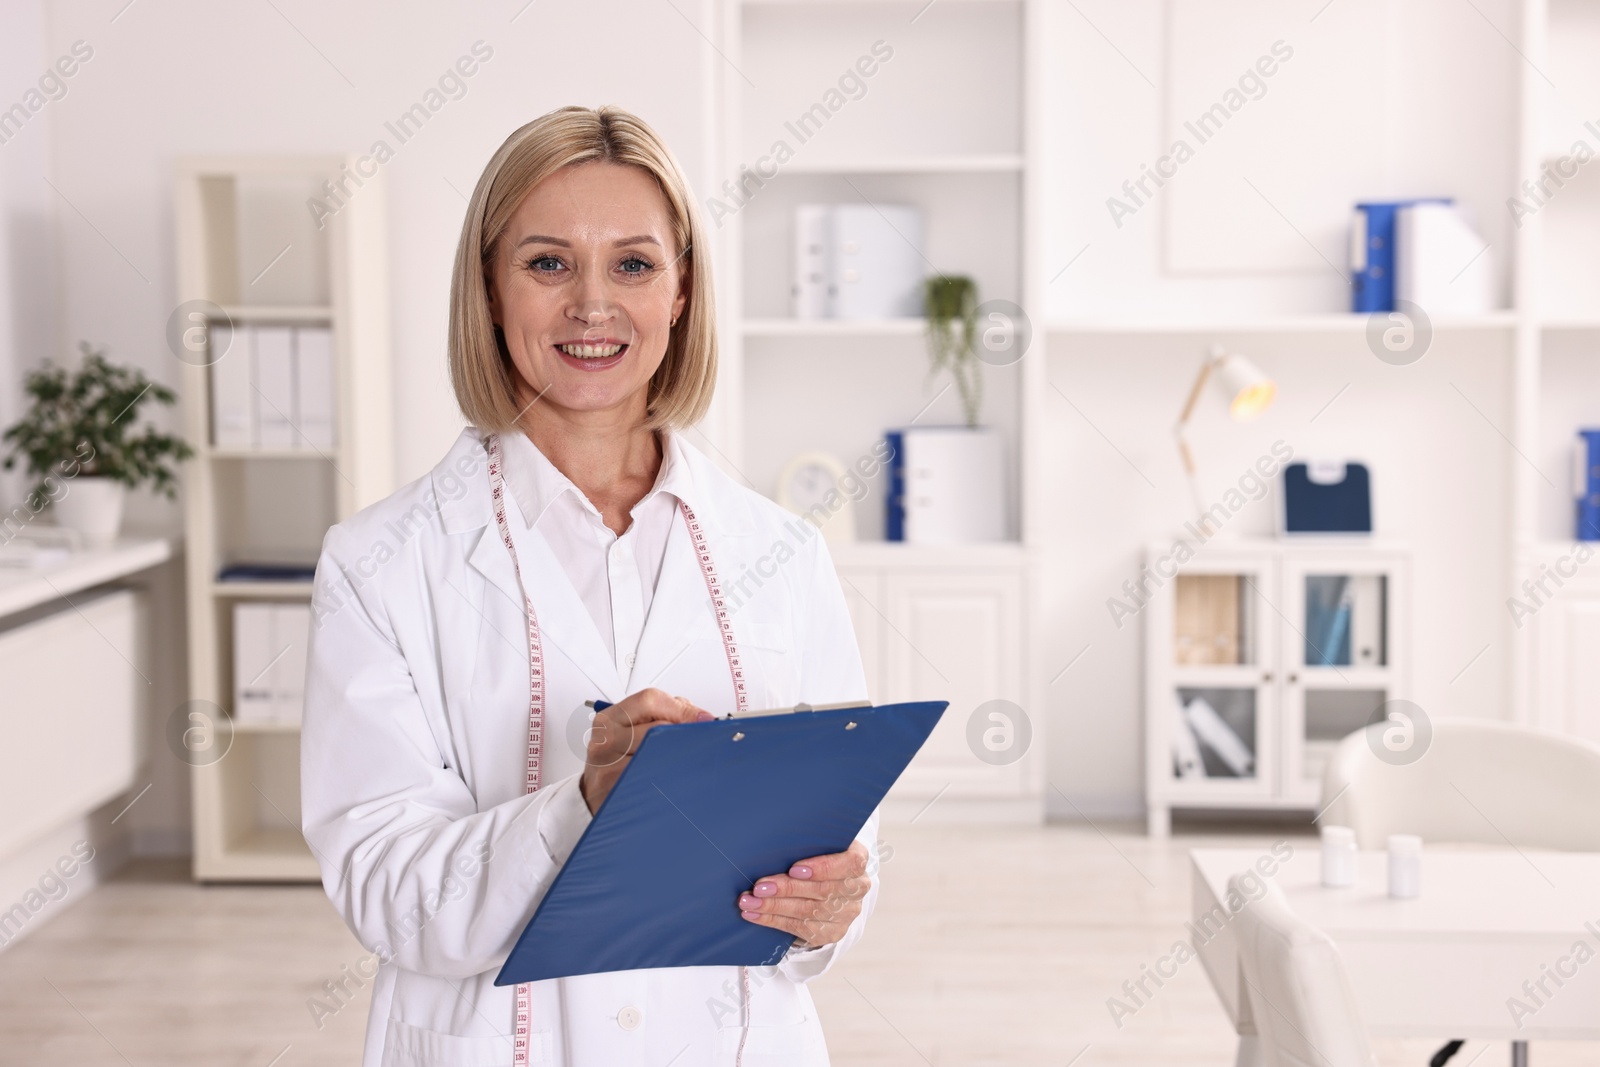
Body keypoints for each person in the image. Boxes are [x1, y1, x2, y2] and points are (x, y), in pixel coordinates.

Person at [301, 105, 879, 1067]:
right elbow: (384, 886)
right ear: (489, 288)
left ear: (682, 291)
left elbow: (850, 836)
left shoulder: (782, 550)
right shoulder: (380, 563)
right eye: (547, 262)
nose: (592, 304)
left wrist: (832, 906)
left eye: (634, 264)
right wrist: (582, 803)